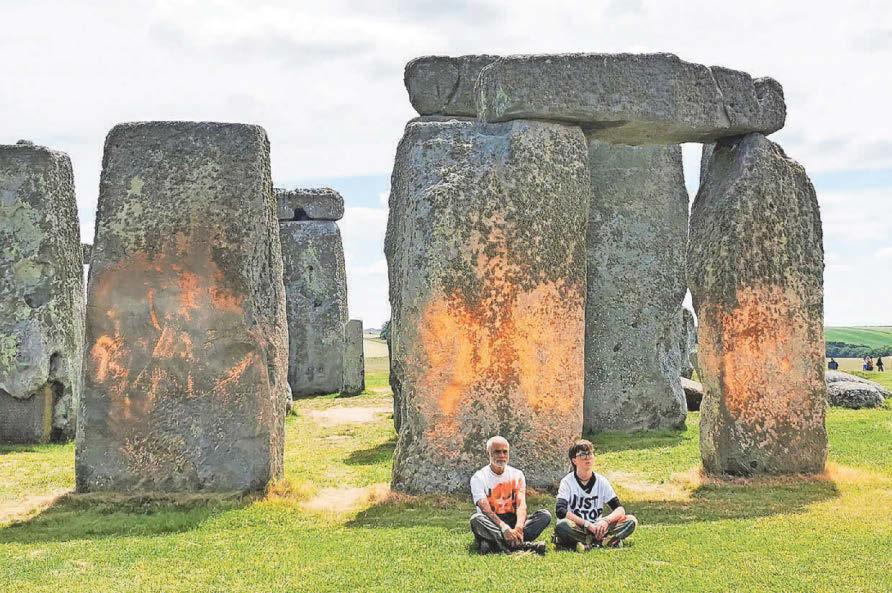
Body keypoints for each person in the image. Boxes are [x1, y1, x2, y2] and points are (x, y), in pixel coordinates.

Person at [469, 436, 551, 555]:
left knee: (544, 515)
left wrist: (518, 527)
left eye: (505, 452)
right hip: (492, 522)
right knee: (476, 519)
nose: (502, 455)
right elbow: (484, 508)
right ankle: (522, 545)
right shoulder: (479, 477)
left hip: (512, 519)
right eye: (497, 452)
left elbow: (521, 504)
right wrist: (503, 527)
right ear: (488, 453)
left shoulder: (517, 474)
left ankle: (495, 544)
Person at [552, 439, 638, 550]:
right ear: (574, 460)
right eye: (582, 455)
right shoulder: (567, 482)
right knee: (562, 525)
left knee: (631, 520)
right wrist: (587, 525)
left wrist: (605, 521)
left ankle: (588, 542)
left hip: (599, 527)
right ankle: (605, 541)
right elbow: (560, 511)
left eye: (590, 453)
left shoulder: (601, 481)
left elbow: (619, 509)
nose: (587, 457)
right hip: (579, 527)